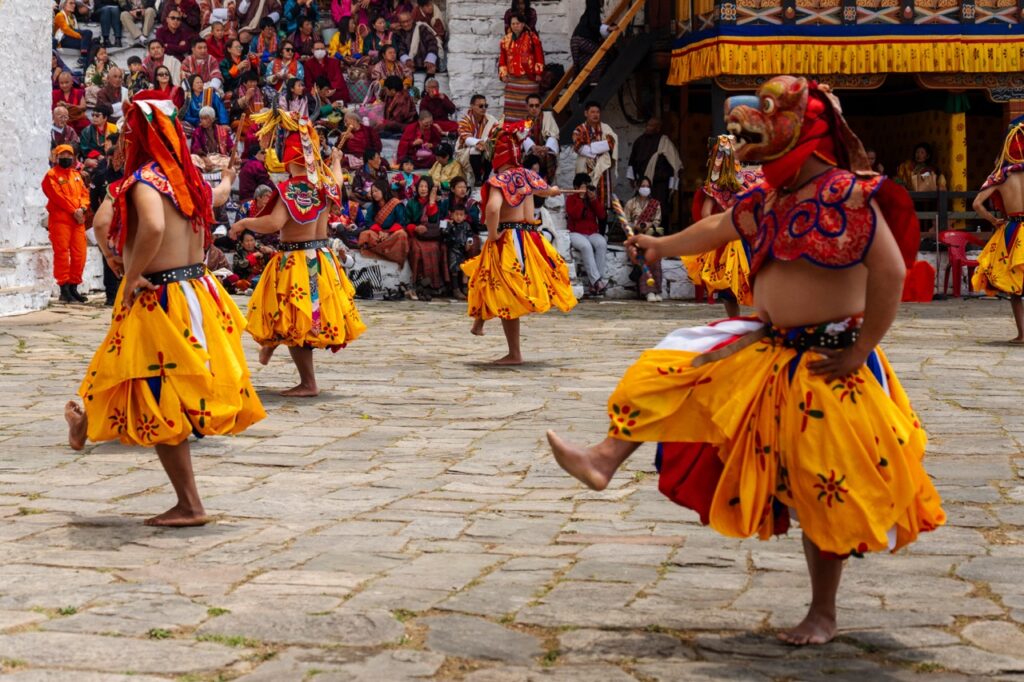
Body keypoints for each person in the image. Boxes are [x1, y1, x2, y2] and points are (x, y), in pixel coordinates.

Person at [547, 76, 944, 646]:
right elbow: (717, 226)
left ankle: (823, 612)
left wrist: (861, 350)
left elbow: (891, 274)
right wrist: (662, 245)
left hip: (831, 361)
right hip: (770, 344)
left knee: (819, 484)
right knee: (675, 363)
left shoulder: (853, 194)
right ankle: (604, 459)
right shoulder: (767, 199)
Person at [64, 90, 266, 528]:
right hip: (197, 290)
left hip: (161, 296)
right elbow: (215, 200)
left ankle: (189, 503)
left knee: (151, 388)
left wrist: (128, 270)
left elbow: (144, 225)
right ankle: (88, 419)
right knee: (126, 371)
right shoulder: (188, 177)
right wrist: (228, 178)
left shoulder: (142, 182)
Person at [230, 117, 366, 395]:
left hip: (297, 261)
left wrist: (244, 224)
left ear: (290, 159)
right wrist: (337, 160)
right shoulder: (325, 185)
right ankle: (271, 345)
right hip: (322, 258)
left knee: (296, 318)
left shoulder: (290, 189)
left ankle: (307, 382)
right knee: (293, 316)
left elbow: (274, 224)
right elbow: (339, 182)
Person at [462, 120, 576, 363]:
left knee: (504, 290)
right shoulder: (527, 175)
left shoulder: (499, 181)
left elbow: (493, 209)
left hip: (509, 238)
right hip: (529, 238)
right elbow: (545, 191)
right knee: (486, 278)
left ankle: (514, 353)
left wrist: (492, 234)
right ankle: (479, 323)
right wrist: (554, 191)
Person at [682, 134, 761, 317]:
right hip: (747, 236)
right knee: (757, 281)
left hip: (726, 238)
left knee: (729, 289)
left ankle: (735, 321)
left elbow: (705, 214)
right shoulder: (749, 178)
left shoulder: (715, 183)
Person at [972, 119, 1024, 343]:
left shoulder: (1000, 176)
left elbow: (976, 204)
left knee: (1016, 287)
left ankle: (1022, 334)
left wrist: (994, 220)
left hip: (1013, 228)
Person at [42, 145, 91, 303]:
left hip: (77, 221)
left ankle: (73, 286)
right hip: (60, 220)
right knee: (62, 254)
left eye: (69, 155)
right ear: (56, 157)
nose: (66, 157)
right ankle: (64, 288)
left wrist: (82, 209)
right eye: (62, 154)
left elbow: (85, 194)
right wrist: (74, 211)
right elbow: (57, 196)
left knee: (80, 254)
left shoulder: (76, 175)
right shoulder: (51, 175)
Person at [565, 172, 608, 296]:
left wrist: (594, 200)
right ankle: (597, 282)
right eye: (582, 187)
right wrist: (580, 198)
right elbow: (576, 215)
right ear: (576, 187)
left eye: (586, 186)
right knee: (586, 246)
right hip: (575, 233)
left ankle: (595, 284)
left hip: (591, 232)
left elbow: (601, 215)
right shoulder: (571, 199)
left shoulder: (591, 199)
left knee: (601, 243)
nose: (585, 189)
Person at [627, 117, 682, 212]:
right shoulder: (639, 141)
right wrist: (632, 179)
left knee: (660, 209)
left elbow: (674, 165)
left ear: (658, 128)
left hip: (660, 184)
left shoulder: (665, 142)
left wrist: (672, 187)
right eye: (648, 125)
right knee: (642, 210)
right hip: (643, 183)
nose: (648, 128)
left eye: (652, 126)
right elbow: (632, 161)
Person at [623, 177, 663, 302]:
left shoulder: (655, 204)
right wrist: (634, 225)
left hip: (650, 237)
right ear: (637, 187)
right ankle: (648, 292)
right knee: (643, 257)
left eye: (647, 186)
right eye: (643, 186)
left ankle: (657, 290)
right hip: (635, 238)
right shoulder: (630, 203)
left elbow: (657, 222)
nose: (645, 188)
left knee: (655, 259)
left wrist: (649, 225)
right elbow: (624, 223)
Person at [498, 14, 545, 121]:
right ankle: (511, 131)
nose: (515, 26)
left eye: (518, 23)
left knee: (530, 106)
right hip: (512, 80)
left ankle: (531, 130)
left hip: (529, 79)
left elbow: (539, 56)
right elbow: (502, 58)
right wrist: (503, 74)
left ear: (523, 24)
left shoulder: (532, 37)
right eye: (513, 24)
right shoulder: (506, 39)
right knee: (511, 109)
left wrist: (538, 73)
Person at [572, 102, 618, 210]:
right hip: (585, 168)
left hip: (602, 169)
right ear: (586, 113)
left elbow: (611, 143)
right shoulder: (579, 129)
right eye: (592, 112)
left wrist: (590, 147)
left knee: (603, 201)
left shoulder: (606, 128)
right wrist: (600, 148)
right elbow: (578, 146)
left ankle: (603, 224)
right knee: (585, 196)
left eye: (597, 112)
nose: (595, 115)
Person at [406, 176, 446, 295]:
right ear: (417, 188)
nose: (423, 189)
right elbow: (406, 222)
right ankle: (418, 283)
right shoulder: (411, 203)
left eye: (425, 186)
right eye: (421, 186)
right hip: (416, 235)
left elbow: (434, 220)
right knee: (417, 250)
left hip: (429, 234)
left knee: (434, 248)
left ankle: (434, 284)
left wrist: (432, 203)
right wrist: (415, 228)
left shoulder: (435, 202)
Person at [359, 177, 410, 264]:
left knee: (401, 234)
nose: (374, 194)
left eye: (376, 191)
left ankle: (390, 254)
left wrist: (388, 233)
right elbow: (368, 221)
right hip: (378, 234)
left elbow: (401, 221)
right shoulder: (372, 206)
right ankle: (382, 252)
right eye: (373, 192)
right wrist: (379, 231)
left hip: (392, 233)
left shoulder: (395, 203)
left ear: (384, 190)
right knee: (365, 234)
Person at [456, 94, 498, 187]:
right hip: (465, 151)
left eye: (485, 106)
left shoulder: (490, 119)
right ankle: (478, 180)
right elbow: (466, 138)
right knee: (475, 149)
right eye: (480, 106)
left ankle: (485, 179)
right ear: (472, 106)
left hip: (484, 149)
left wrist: (486, 144)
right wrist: (478, 143)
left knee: (491, 150)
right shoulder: (465, 120)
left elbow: (496, 133)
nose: (483, 108)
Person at [571, 0, 614, 84]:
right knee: (602, 56)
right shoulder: (593, 8)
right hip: (582, 40)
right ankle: (593, 82)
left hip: (575, 40)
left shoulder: (587, 14)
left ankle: (582, 87)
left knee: (582, 64)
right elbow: (594, 25)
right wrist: (608, 28)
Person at [444, 203, 479, 299]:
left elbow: (470, 235)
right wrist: (448, 227)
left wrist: (469, 243)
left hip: (463, 250)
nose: (458, 217)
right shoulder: (450, 225)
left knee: (464, 269)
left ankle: (465, 288)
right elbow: (444, 235)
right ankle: (455, 289)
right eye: (456, 214)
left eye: (461, 215)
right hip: (453, 250)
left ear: (465, 216)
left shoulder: (466, 225)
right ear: (452, 215)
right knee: (454, 269)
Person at [522, 94, 559, 183]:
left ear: (541, 106)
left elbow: (554, 134)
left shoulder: (548, 117)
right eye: (531, 106)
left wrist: (546, 148)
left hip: (547, 152)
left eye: (537, 105)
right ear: (526, 106)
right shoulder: (525, 121)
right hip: (532, 154)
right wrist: (533, 147)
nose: (534, 108)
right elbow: (523, 137)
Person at [393, 9, 440, 75]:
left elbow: (432, 43)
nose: (406, 24)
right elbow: (401, 49)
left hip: (427, 63)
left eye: (408, 21)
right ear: (400, 23)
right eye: (403, 22)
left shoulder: (421, 28)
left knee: (431, 72)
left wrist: (430, 59)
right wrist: (407, 60)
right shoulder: (399, 33)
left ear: (412, 20)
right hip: (411, 65)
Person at [304, 39, 351, 105]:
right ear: (312, 50)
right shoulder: (308, 64)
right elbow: (308, 82)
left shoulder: (334, 62)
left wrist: (329, 90)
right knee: (310, 96)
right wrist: (319, 92)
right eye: (317, 49)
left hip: (332, 90)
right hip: (318, 91)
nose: (320, 51)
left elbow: (338, 79)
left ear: (325, 50)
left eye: (322, 49)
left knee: (341, 92)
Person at [54, 0, 96, 67]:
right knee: (88, 33)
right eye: (71, 3)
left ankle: (84, 63)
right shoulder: (60, 15)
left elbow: (76, 30)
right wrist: (80, 36)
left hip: (72, 38)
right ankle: (84, 60)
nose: (74, 5)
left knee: (91, 44)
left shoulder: (73, 16)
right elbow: (66, 30)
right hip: (63, 40)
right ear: (64, 5)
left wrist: (83, 38)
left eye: (74, 3)